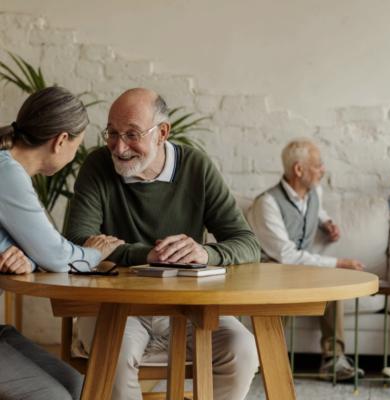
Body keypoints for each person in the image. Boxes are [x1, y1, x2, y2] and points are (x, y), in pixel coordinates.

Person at [65, 87, 261, 400]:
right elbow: (77, 244)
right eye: (112, 133)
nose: (119, 146)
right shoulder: (98, 166)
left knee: (243, 349)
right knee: (113, 352)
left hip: (189, 306)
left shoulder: (196, 167)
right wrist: (149, 256)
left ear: (162, 133)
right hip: (116, 307)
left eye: (131, 134)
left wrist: (203, 253)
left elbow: (247, 243)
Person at [0, 86, 124, 400]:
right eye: (77, 146)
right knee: (55, 397)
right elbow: (57, 257)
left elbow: (35, 250)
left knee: (82, 389)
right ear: (60, 141)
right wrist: (96, 251)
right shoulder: (7, 173)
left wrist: (25, 258)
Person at [246, 138, 365, 381]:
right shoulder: (266, 203)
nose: (323, 170)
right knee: (286, 288)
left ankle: (333, 361)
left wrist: (327, 223)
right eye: (318, 165)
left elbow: (315, 210)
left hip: (299, 270)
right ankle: (271, 359)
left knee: (333, 284)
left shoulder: (314, 192)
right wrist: (340, 263)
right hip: (272, 269)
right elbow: (286, 256)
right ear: (299, 170)